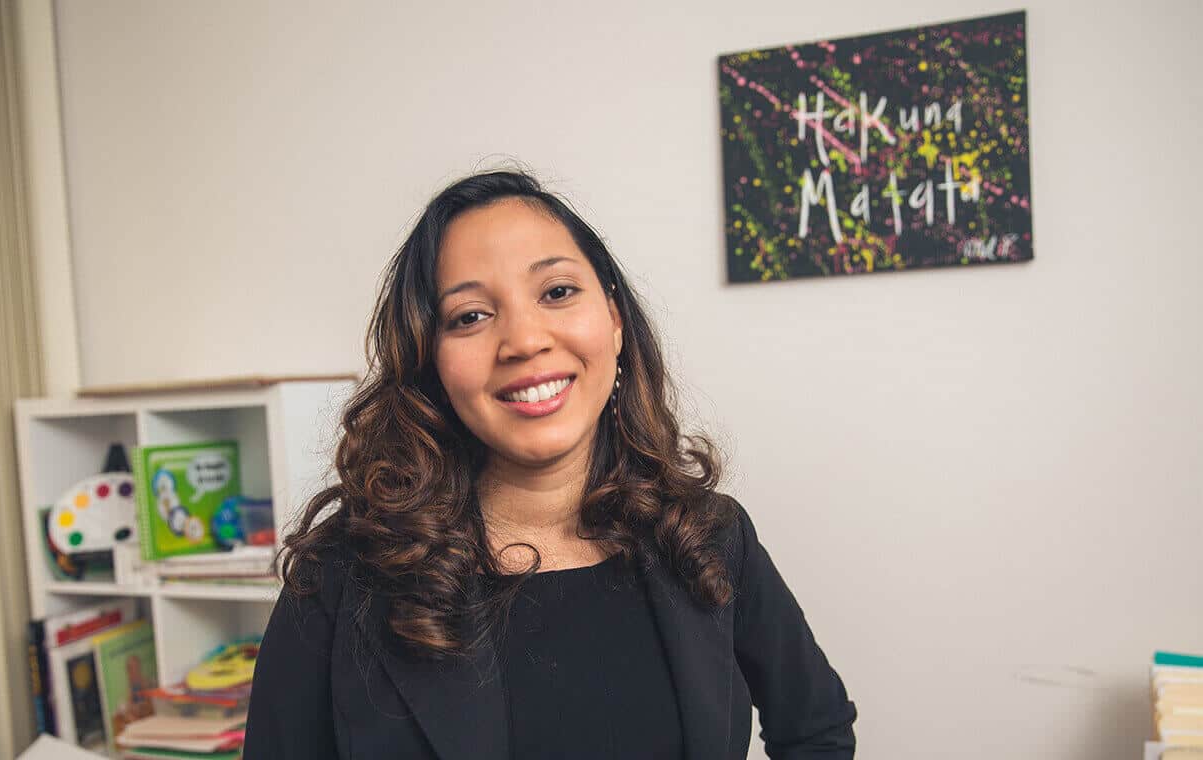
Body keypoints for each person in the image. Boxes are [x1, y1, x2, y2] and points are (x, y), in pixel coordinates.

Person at [242, 168, 858, 759]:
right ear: (430, 361)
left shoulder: (712, 537)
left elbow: (817, 732)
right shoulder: (339, 577)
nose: (525, 340)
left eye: (557, 292)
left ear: (614, 321)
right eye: (470, 317)